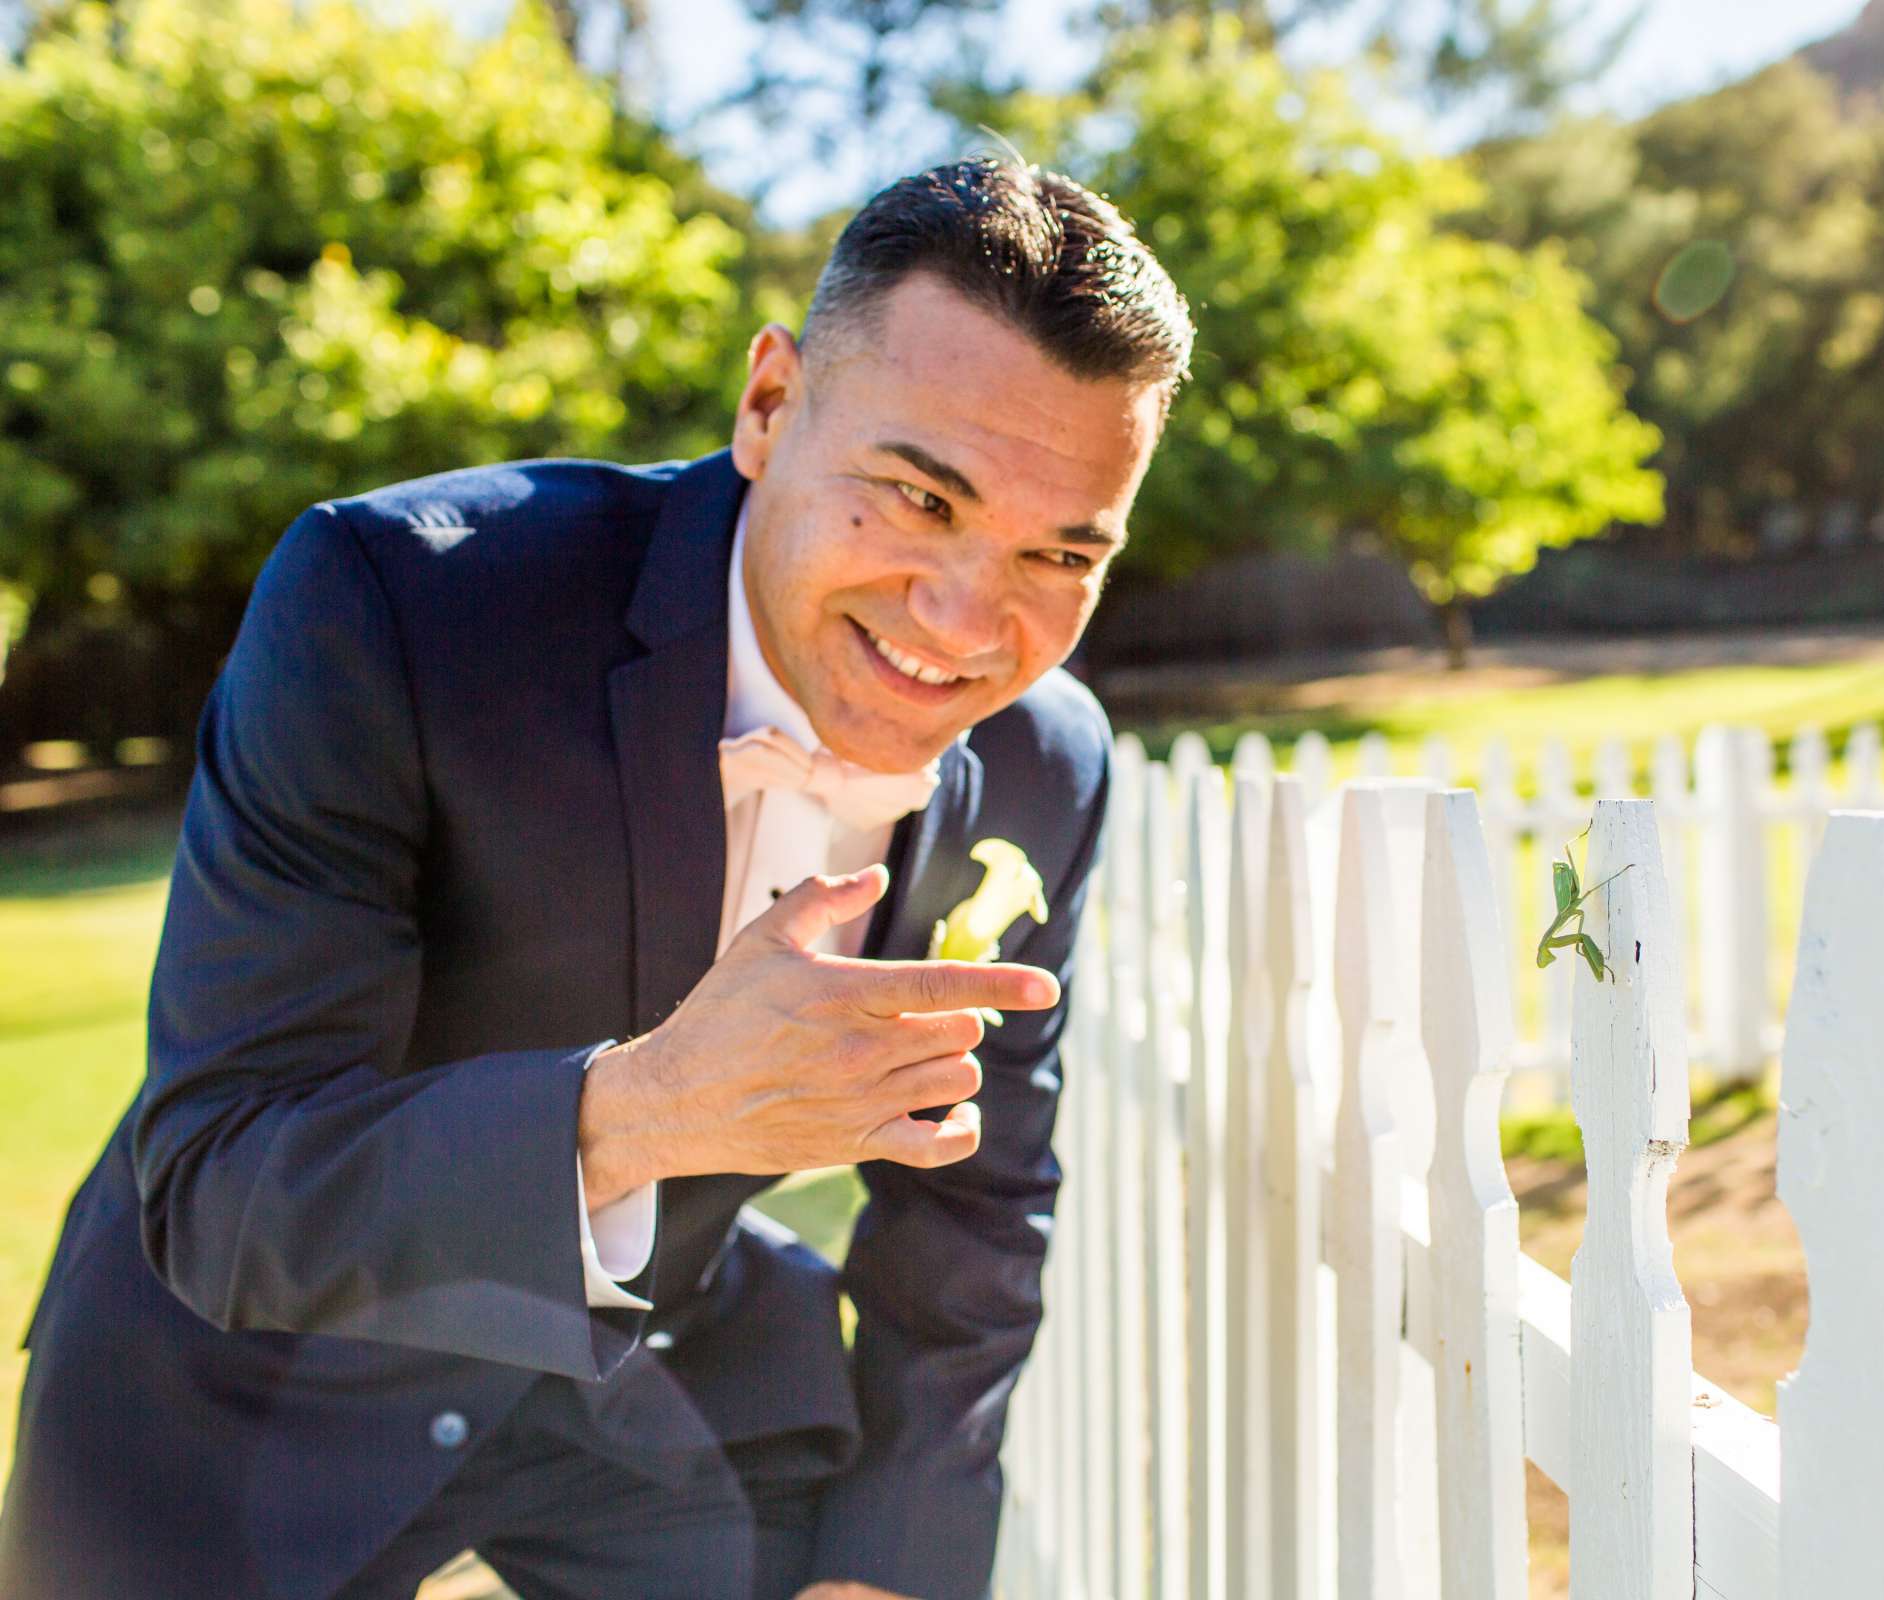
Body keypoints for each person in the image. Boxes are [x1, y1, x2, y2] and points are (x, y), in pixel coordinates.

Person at [0, 156, 1193, 1600]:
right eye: (918, 499)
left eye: (1060, 552)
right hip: (246, 1392)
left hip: (657, 1375)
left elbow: (980, 1206)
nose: (967, 623)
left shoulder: (1046, 761)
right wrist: (638, 1111)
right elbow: (222, 1179)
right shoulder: (394, 605)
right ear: (768, 406)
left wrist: (892, 1567)